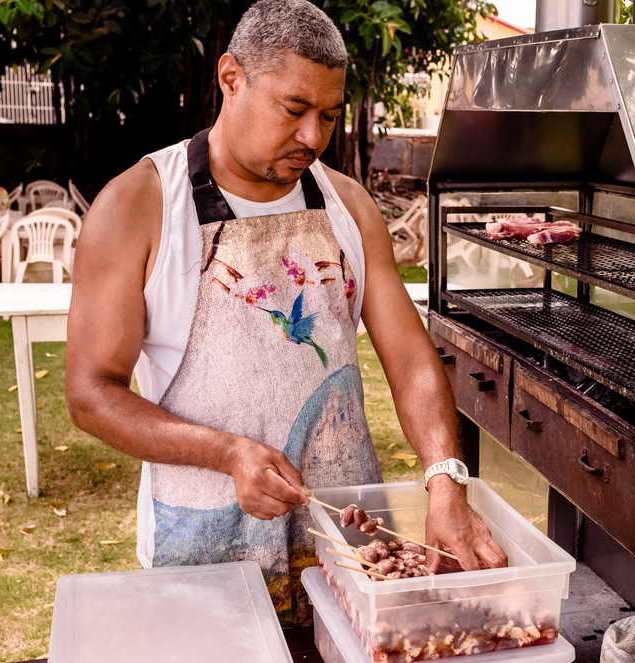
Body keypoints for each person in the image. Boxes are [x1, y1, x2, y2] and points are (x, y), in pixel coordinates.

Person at [65, 0, 507, 625]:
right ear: (230, 78)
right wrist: (227, 453)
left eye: (329, 115)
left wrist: (444, 476)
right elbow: (90, 393)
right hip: (205, 545)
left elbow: (410, 359)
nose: (312, 137)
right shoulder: (139, 205)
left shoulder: (348, 208)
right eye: (294, 110)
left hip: (346, 544)